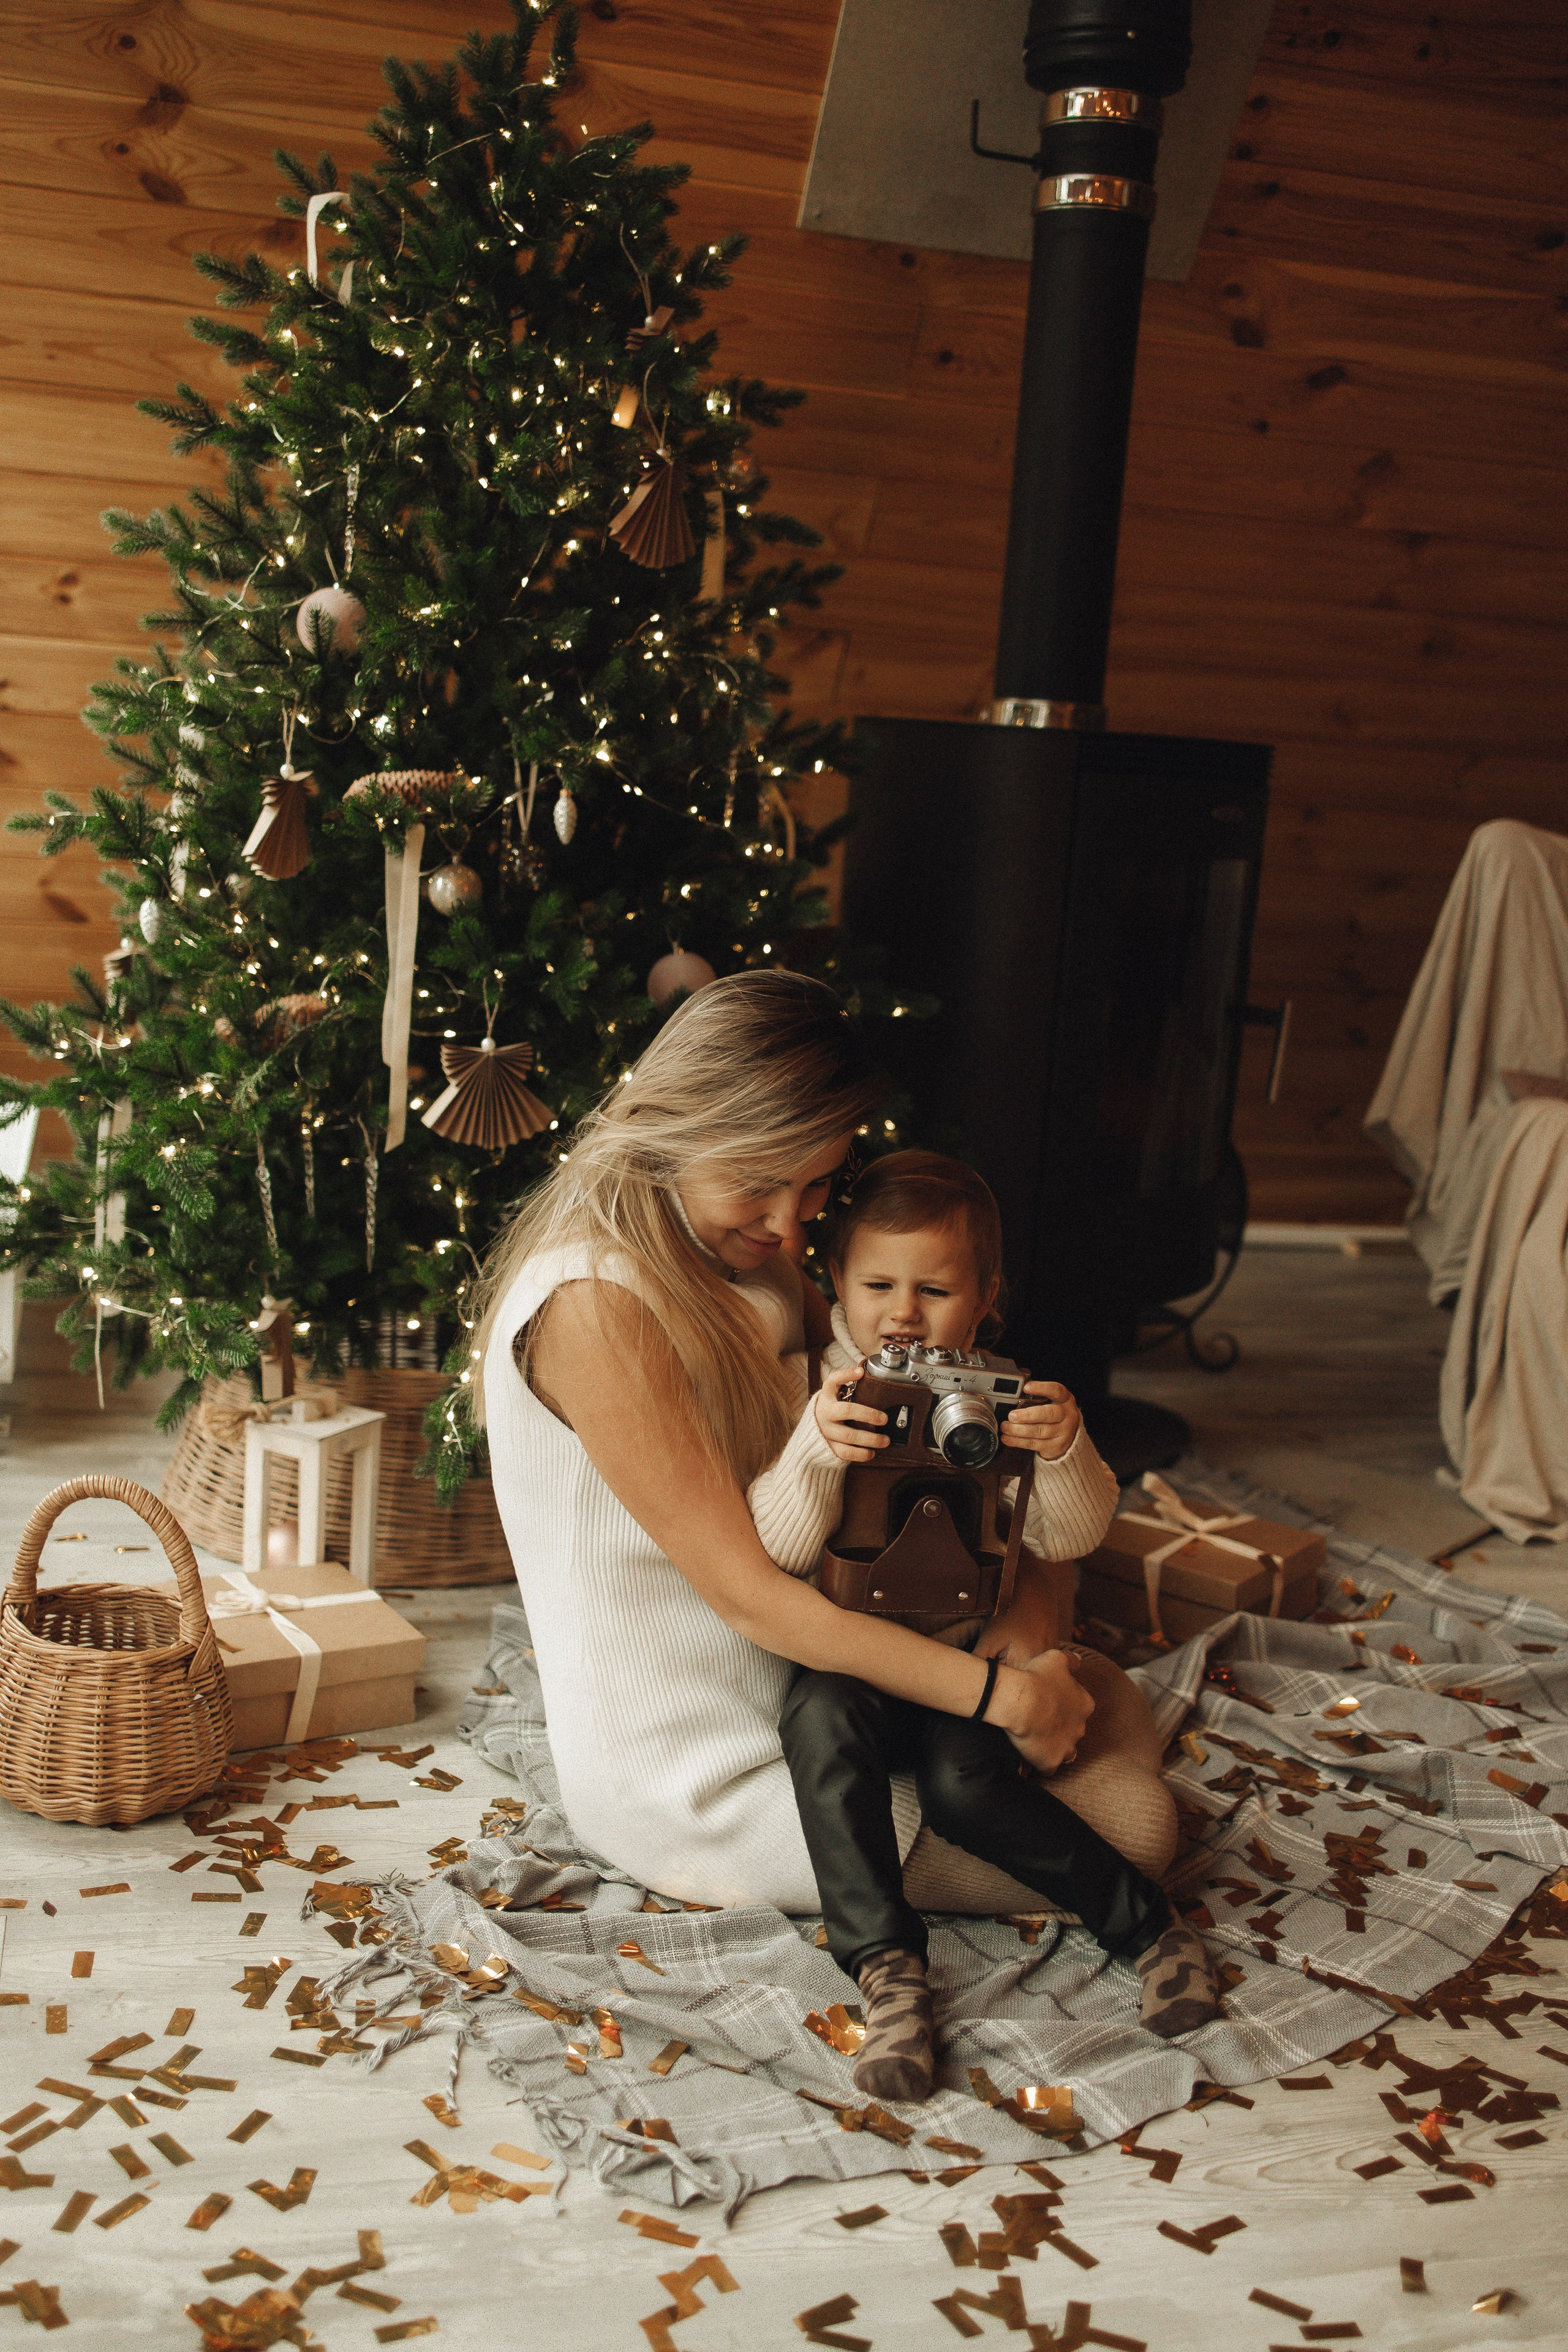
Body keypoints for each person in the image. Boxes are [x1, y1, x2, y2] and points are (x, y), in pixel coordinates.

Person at [471, 973, 1207, 2090]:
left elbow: (916, 1457)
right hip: (715, 1764)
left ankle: (1017, 1721)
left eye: (815, 1189)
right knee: (1141, 1824)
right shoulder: (593, 1306)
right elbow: (750, 1598)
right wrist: (1007, 1695)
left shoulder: (745, 1258)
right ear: (681, 1126)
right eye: (762, 1184)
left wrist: (1034, 1616)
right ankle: (921, 1907)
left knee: (1084, 1695)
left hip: (832, 1667)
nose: (786, 1226)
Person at [747, 1150, 1218, 2100]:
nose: (903, 1313)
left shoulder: (1001, 1396)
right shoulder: (822, 1390)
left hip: (969, 1658)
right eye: (878, 1283)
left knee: (966, 1787)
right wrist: (814, 1450)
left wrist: (1069, 1450)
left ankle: (1147, 1926)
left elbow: (1072, 1535)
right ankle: (886, 1970)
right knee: (819, 1725)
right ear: (836, 1282)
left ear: (986, 1298)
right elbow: (777, 1549)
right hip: (857, 1657)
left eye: (935, 1289)